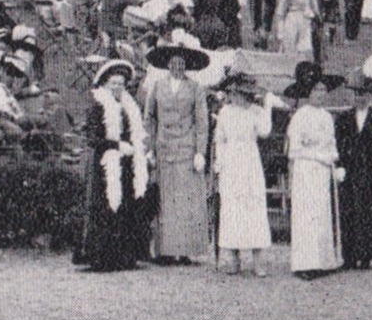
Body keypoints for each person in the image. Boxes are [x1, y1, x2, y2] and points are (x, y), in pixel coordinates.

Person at [142, 45, 212, 266]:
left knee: (185, 200)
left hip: (186, 149)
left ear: (187, 66)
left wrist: (200, 152)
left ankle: (185, 250)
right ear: (167, 64)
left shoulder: (195, 88)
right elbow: (149, 118)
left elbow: (202, 122)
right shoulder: (157, 86)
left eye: (181, 64)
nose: (177, 67)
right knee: (165, 200)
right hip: (164, 148)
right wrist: (149, 148)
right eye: (173, 63)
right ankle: (165, 251)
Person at [78, 60, 150, 272]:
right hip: (105, 164)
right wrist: (116, 145)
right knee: (106, 207)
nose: (117, 88)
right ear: (104, 85)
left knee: (126, 206)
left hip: (127, 164)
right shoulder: (98, 106)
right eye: (113, 84)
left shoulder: (130, 106)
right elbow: (93, 138)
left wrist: (136, 150)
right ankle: (102, 257)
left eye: (121, 84)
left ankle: (125, 256)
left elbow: (136, 134)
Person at [284, 62, 343, 279]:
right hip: (306, 169)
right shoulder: (300, 116)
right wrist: (319, 156)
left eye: (322, 89)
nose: (320, 94)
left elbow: (331, 142)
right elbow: (295, 149)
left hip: (323, 170)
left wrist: (334, 158)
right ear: (307, 92)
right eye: (315, 89)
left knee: (322, 213)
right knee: (306, 214)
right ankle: (305, 263)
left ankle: (324, 261)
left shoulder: (327, 117)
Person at [210, 73, 271, 277]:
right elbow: (220, 139)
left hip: (250, 161)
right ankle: (234, 259)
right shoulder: (226, 112)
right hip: (231, 163)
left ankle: (257, 261)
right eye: (236, 93)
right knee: (233, 208)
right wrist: (219, 162)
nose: (239, 97)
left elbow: (264, 132)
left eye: (244, 94)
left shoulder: (256, 111)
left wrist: (267, 107)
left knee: (253, 205)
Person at [333, 54, 372, 270]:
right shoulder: (344, 119)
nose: (360, 98)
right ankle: (348, 257)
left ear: (370, 95)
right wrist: (338, 166)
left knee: (367, 211)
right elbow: (337, 144)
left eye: (364, 94)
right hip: (348, 169)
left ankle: (365, 255)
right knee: (347, 210)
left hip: (367, 169)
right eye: (356, 94)